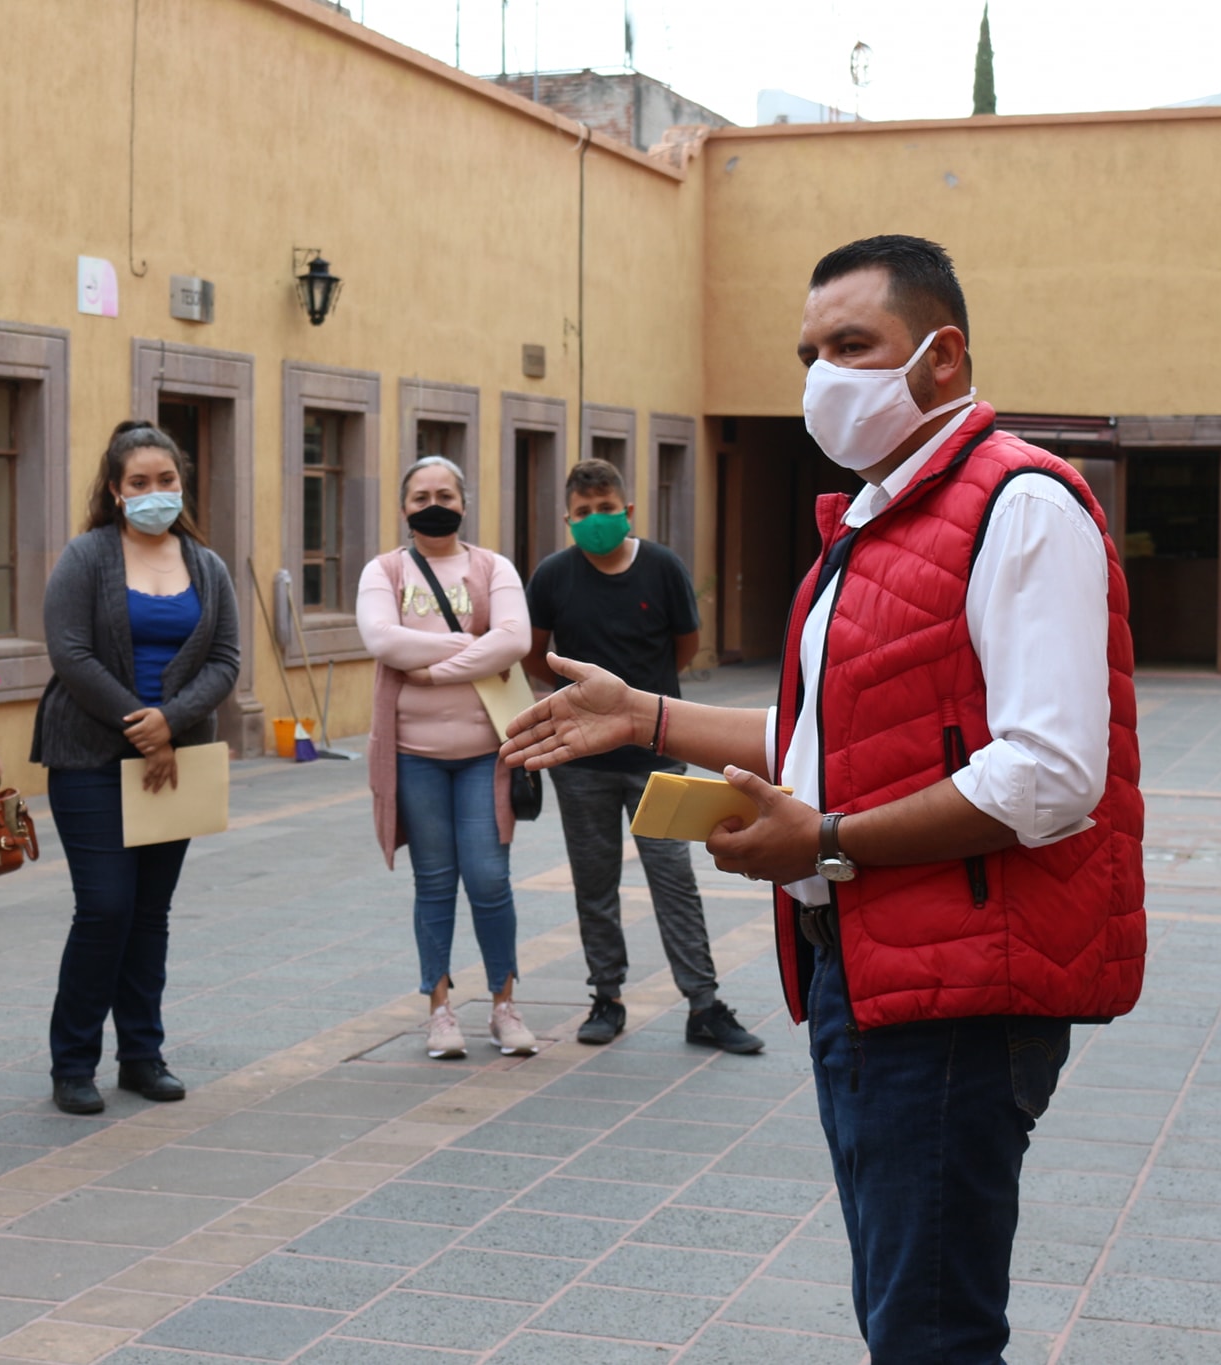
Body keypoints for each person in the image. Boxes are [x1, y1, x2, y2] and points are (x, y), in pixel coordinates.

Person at [502, 235, 1145, 1360]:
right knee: (899, 1309)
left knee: (929, 1331)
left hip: (956, 987)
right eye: (809, 351)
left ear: (941, 358)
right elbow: (828, 738)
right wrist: (643, 716)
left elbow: (1049, 775)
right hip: (867, 967)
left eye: (853, 346)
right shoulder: (876, 520)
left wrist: (828, 839)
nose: (822, 377)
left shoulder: (1021, 505)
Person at [31, 420, 240, 1115]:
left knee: (150, 913)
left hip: (176, 758)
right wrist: (140, 724)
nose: (156, 493)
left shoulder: (205, 564)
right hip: (89, 755)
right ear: (116, 491)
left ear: (182, 484)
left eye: (167, 480)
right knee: (105, 906)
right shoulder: (87, 556)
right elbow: (69, 652)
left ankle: (142, 1055)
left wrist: (170, 724)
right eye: (140, 483)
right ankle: (72, 1061)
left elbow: (226, 661)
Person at [523, 459, 763, 1055]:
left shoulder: (662, 569)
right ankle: (606, 996)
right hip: (581, 766)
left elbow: (683, 648)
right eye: (584, 513)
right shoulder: (553, 577)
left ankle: (704, 1005)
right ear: (568, 518)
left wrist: (645, 713)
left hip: (658, 754)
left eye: (607, 510)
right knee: (594, 881)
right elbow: (536, 658)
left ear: (627, 511)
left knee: (673, 877)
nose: (596, 520)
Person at [358, 456, 537, 1060]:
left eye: (444, 493)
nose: (432, 503)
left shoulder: (493, 567)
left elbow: (515, 639)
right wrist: (465, 646)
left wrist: (430, 671)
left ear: (463, 502)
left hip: (487, 756)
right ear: (403, 507)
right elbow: (381, 640)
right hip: (414, 757)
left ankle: (504, 1006)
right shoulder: (383, 570)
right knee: (433, 883)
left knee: (490, 880)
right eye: (419, 495)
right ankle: (439, 1010)